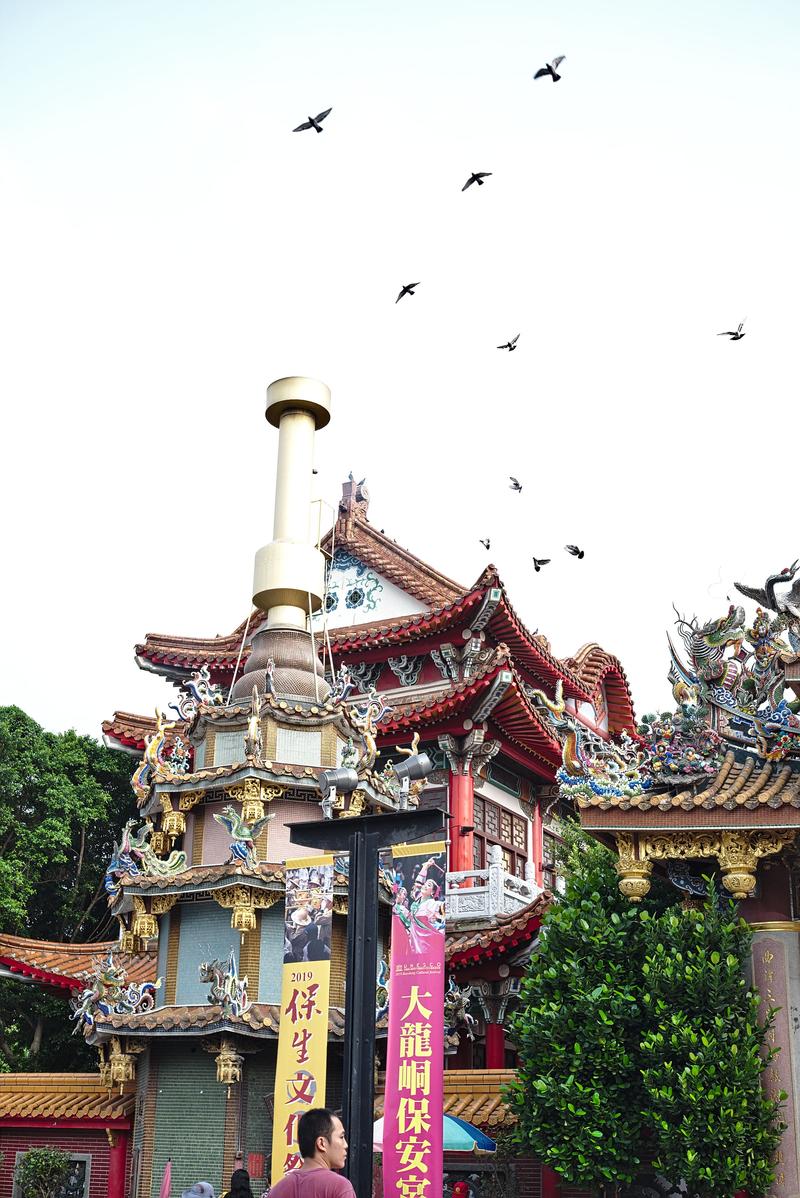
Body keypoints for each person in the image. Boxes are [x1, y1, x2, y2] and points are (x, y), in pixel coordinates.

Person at [268, 1109, 355, 1198]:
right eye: (341, 1137)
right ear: (321, 1143)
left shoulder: (276, 1191)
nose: (346, 1145)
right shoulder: (340, 1187)